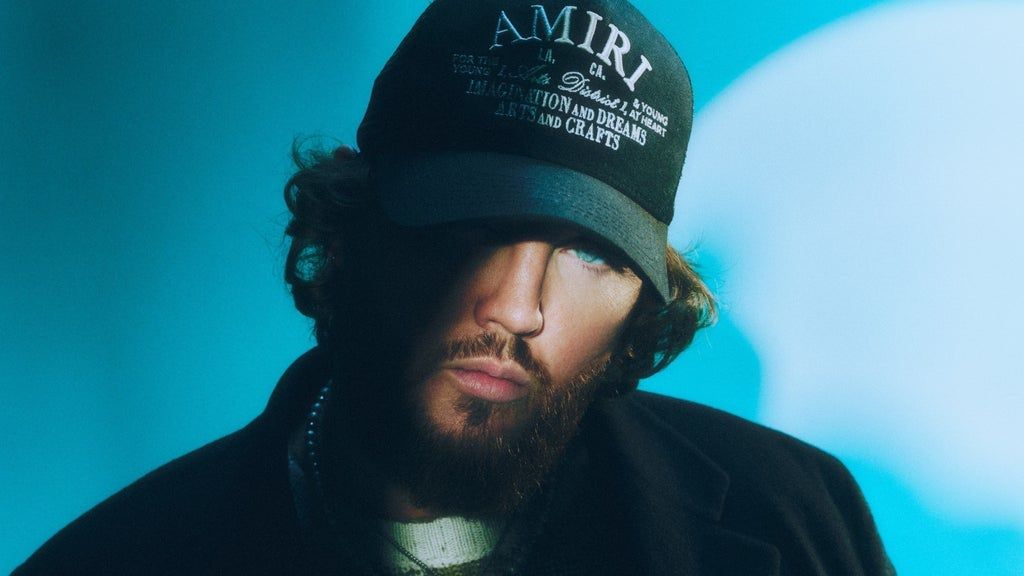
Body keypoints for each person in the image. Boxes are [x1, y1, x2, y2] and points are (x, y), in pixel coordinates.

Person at [15, 0, 894, 574]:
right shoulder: (119, 559)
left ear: (644, 304)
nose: (516, 307)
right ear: (351, 224)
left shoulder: (794, 518)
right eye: (469, 226)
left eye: (591, 254)